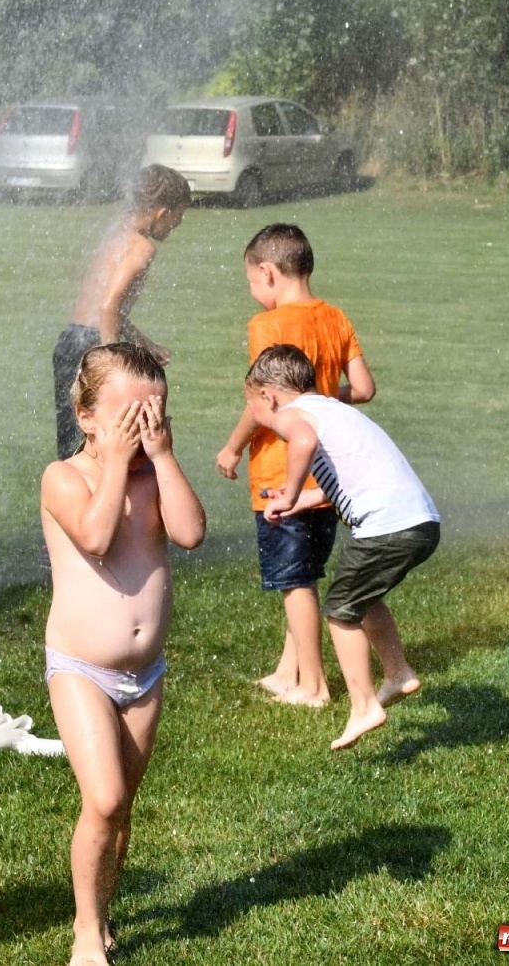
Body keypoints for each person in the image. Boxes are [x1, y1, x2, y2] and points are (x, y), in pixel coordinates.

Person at [41, 343, 205, 965]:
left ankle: (101, 912)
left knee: (120, 808)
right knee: (105, 798)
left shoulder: (155, 475)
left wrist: (162, 457)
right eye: (131, 418)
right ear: (87, 418)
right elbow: (96, 536)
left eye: (155, 414)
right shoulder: (65, 477)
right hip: (81, 669)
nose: (144, 428)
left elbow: (190, 533)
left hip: (145, 674)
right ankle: (86, 932)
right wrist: (114, 462)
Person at [213, 224, 375, 707]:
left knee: (294, 582)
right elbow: (363, 389)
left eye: (250, 281)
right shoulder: (336, 317)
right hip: (325, 476)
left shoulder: (266, 326)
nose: (252, 291)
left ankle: (314, 685)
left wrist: (233, 447)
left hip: (281, 475)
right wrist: (322, 399)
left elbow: (263, 400)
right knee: (303, 573)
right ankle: (290, 671)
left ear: (267, 272)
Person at [245, 344, 434, 751]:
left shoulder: (294, 415)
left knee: (340, 608)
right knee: (363, 597)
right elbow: (352, 478)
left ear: (267, 396)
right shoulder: (332, 409)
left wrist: (287, 492)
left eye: (252, 407)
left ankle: (364, 706)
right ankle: (398, 673)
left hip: (387, 526)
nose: (254, 417)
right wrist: (302, 499)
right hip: (419, 522)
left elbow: (303, 441)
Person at [52, 164, 190, 460]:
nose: (178, 223)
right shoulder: (142, 247)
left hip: (71, 341)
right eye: (178, 216)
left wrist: (146, 344)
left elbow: (109, 311)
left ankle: (66, 488)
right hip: (92, 345)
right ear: (162, 213)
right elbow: (109, 306)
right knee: (105, 447)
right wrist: (111, 361)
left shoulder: (117, 234)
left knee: (75, 445)